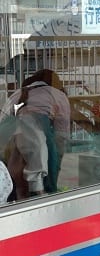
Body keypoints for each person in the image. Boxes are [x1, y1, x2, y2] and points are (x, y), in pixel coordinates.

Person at [0, 69, 70, 198]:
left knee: (15, 182)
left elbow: (3, 119)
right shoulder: (58, 95)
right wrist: (56, 164)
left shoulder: (18, 93)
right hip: (38, 130)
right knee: (45, 172)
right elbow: (61, 135)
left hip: (10, 135)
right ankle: (45, 193)